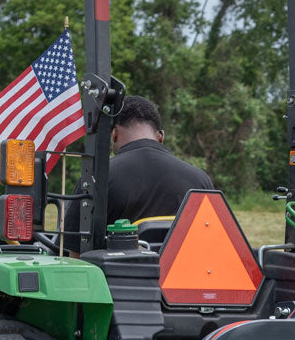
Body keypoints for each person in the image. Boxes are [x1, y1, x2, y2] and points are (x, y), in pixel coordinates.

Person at [64, 95, 214, 251]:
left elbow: (76, 257)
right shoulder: (201, 181)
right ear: (161, 136)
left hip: (120, 275)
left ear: (114, 134)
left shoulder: (96, 178)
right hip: (184, 274)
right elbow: (211, 242)